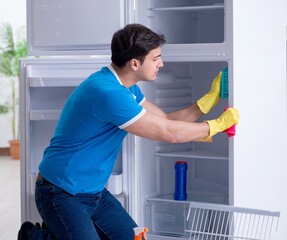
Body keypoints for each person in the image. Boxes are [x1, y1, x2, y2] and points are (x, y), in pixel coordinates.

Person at [18, 23, 239, 240]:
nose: (161, 64)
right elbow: (168, 133)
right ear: (134, 63)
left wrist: (206, 103)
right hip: (61, 192)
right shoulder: (107, 92)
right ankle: (34, 235)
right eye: (155, 58)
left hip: (93, 193)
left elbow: (166, 119)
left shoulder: (126, 86)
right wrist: (217, 125)